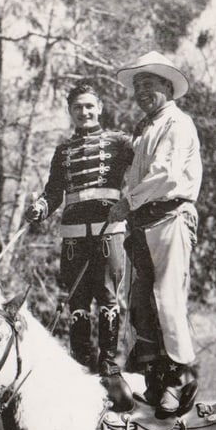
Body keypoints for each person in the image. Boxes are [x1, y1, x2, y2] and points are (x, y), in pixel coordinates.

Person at [27, 82, 135, 411]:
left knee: (108, 297)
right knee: (77, 300)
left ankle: (110, 364)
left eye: (89, 106)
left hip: (109, 231)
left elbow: (143, 173)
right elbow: (53, 191)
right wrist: (40, 209)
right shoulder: (62, 152)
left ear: (99, 107)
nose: (85, 112)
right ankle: (80, 363)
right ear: (70, 112)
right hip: (73, 234)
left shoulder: (120, 143)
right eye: (78, 107)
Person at [108, 51, 203, 418]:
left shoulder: (177, 123)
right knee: (142, 303)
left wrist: (126, 202)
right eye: (138, 86)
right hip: (142, 222)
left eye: (150, 84)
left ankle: (178, 381)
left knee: (167, 298)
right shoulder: (143, 129)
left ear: (168, 86)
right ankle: (155, 381)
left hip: (169, 216)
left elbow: (165, 175)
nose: (142, 91)